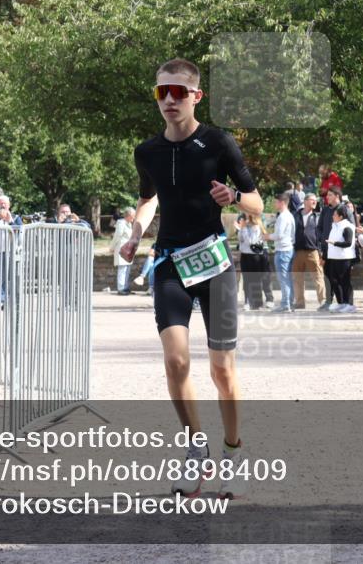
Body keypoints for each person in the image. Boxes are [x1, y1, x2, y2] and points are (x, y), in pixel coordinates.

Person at [120, 58, 263, 500]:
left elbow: (257, 203)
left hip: (214, 265)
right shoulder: (147, 151)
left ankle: (233, 451)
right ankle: (195, 449)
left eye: (178, 92)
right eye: (161, 92)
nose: (169, 100)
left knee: (222, 370)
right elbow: (148, 199)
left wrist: (233, 196)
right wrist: (136, 232)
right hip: (169, 263)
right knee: (176, 361)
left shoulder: (218, 142)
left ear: (196, 96)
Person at [317, 186, 352, 311]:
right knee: (330, 277)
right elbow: (319, 228)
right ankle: (333, 301)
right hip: (327, 249)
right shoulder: (326, 210)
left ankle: (348, 304)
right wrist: (322, 241)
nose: (327, 197)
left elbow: (351, 228)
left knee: (344, 278)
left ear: (337, 196)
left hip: (341, 251)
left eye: (330, 195)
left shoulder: (345, 209)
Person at [291, 193, 324, 310]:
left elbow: (320, 234)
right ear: (305, 201)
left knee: (318, 277)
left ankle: (323, 301)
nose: (315, 202)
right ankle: (300, 302)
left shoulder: (317, 216)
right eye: (312, 200)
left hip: (313, 251)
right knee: (297, 278)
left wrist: (321, 250)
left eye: (316, 200)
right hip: (297, 251)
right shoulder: (295, 215)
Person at [266, 193, 295, 313]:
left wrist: (267, 236)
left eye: (276, 202)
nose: (274, 204)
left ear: (282, 202)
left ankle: (285, 304)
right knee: (287, 278)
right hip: (288, 249)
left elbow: (279, 235)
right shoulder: (289, 215)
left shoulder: (283, 217)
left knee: (284, 279)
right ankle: (289, 303)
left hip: (283, 250)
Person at [325, 203, 356, 313]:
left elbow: (348, 243)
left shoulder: (347, 227)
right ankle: (341, 302)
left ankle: (349, 304)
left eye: (335, 215)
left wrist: (334, 243)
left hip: (344, 258)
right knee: (334, 281)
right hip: (333, 257)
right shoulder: (335, 226)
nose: (332, 216)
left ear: (341, 216)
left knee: (345, 282)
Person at [237, 214, 269, 310]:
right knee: (246, 280)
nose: (245, 217)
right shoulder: (245, 226)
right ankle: (247, 301)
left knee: (256, 279)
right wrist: (241, 229)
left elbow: (250, 241)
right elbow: (240, 239)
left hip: (254, 256)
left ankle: (257, 303)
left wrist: (243, 228)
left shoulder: (256, 227)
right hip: (245, 255)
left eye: (247, 216)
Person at [111, 208, 136, 295]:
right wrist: (112, 247)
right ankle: (121, 288)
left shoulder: (129, 224)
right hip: (122, 249)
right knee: (122, 269)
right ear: (128, 215)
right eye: (133, 216)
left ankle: (126, 287)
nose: (134, 217)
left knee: (127, 269)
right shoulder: (121, 223)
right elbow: (117, 236)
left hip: (128, 250)